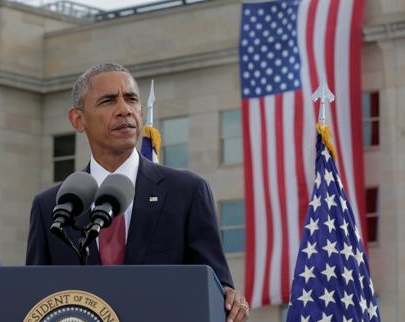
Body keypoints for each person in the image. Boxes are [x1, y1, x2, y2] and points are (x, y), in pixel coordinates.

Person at [26, 63, 249, 322]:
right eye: (109, 101)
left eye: (131, 99)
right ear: (78, 119)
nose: (125, 110)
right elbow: (37, 301)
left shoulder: (186, 192)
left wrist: (232, 299)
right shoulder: (51, 207)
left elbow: (216, 292)